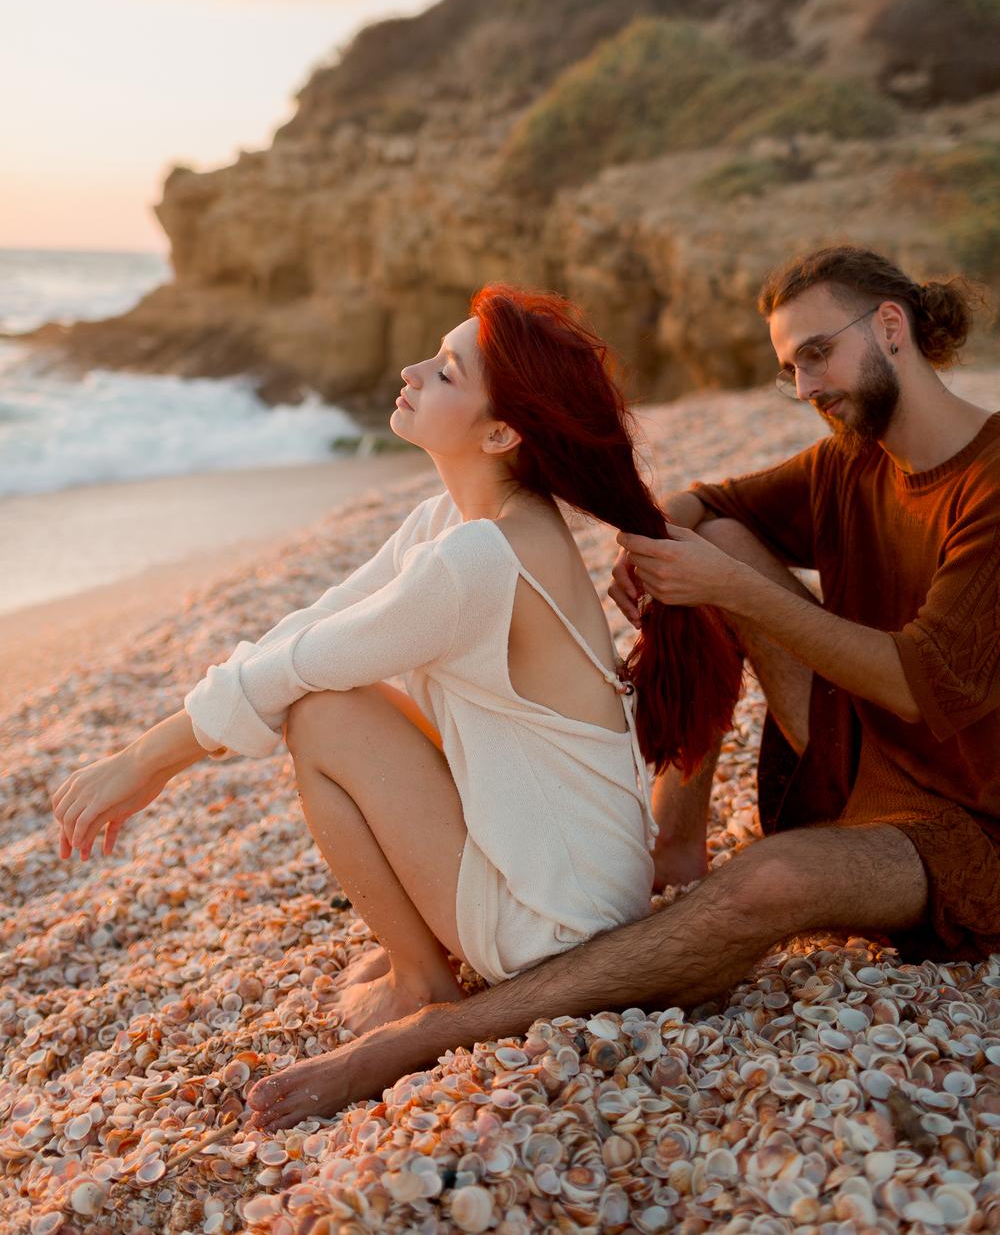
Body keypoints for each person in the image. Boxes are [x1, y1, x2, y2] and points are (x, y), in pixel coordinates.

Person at [241, 243, 1000, 1135]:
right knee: (707, 536)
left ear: (891, 327)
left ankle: (437, 1029)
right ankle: (673, 841)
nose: (805, 386)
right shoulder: (850, 461)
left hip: (959, 825)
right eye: (788, 368)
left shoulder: (990, 483)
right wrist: (647, 549)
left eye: (817, 355)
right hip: (855, 759)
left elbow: (920, 685)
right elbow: (700, 501)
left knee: (767, 883)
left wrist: (728, 590)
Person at [50, 284, 740, 1040]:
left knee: (323, 711)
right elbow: (315, 625)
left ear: (502, 433)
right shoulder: (461, 521)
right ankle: (427, 950)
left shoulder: (481, 555)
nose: (412, 371)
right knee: (330, 684)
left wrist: (146, 761)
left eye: (446, 371)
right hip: (584, 882)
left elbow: (300, 667)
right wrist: (159, 746)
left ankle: (420, 979)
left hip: (558, 926)